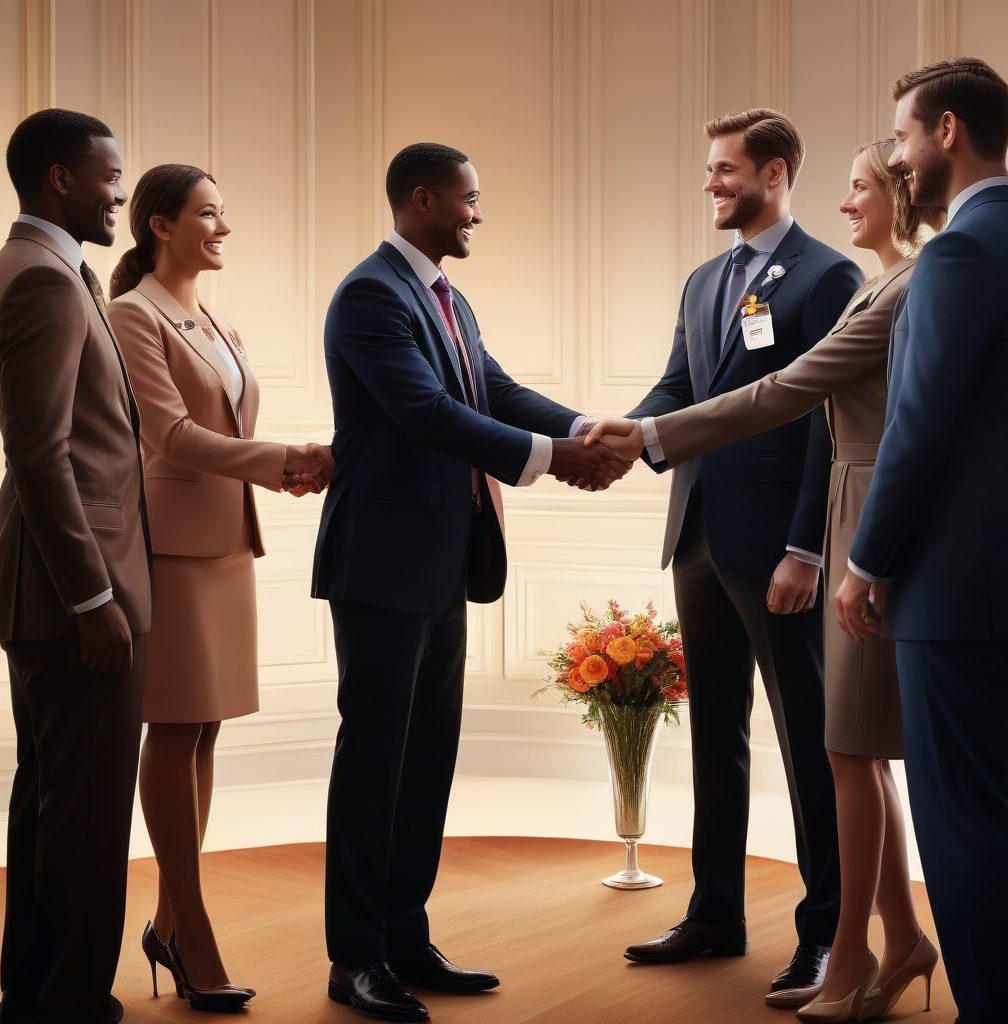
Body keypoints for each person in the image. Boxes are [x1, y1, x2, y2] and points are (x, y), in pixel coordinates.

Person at [587, 137, 943, 1021]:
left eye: (724, 169)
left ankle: (828, 927)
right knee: (719, 732)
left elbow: (814, 411)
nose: (709, 181)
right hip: (700, 531)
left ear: (773, 173)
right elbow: (679, 386)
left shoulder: (830, 277)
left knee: (819, 743)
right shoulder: (705, 281)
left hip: (786, 545)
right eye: (706, 167)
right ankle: (714, 912)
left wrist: (806, 549)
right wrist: (612, 439)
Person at [312, 142, 630, 1023]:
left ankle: (407, 939)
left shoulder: (443, 296)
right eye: (468, 198)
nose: (477, 213)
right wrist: (558, 458)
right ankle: (357, 959)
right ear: (422, 198)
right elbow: (426, 412)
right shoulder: (371, 294)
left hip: (443, 565)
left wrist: (582, 424)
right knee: (376, 764)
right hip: (381, 568)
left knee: (426, 764)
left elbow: (487, 386)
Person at [105, 163, 333, 1013]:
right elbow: (169, 436)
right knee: (173, 729)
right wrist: (286, 463)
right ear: (160, 225)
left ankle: (171, 918)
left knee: (203, 732)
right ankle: (191, 931)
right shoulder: (133, 314)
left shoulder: (212, 316)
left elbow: (222, 426)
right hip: (170, 549)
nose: (223, 227)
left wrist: (285, 460)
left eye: (224, 213)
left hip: (224, 544)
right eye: (208, 214)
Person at [835, 58, 1008, 1024]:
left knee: (967, 830)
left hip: (958, 597)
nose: (899, 157)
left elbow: (922, 426)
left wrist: (865, 564)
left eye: (902, 137)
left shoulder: (957, 254)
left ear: (946, 131)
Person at [0, 109, 151, 1024]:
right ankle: (68, 1003)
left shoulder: (51, 268)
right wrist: (94, 596)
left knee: (57, 808)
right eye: (108, 176)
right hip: (73, 599)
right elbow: (40, 455)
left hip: (62, 594)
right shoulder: (43, 282)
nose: (120, 193)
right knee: (84, 818)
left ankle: (38, 996)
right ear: (60, 178)